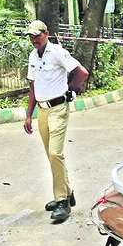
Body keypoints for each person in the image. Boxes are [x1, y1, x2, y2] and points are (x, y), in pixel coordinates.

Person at [23, 20, 89, 222]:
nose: (34, 40)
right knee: (51, 155)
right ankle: (67, 193)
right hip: (42, 111)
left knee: (55, 152)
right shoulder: (33, 56)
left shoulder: (57, 52)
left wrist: (71, 89)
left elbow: (82, 72)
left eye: (37, 35)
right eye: (31, 37)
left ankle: (62, 202)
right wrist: (28, 115)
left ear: (46, 34)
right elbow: (33, 87)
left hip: (59, 108)